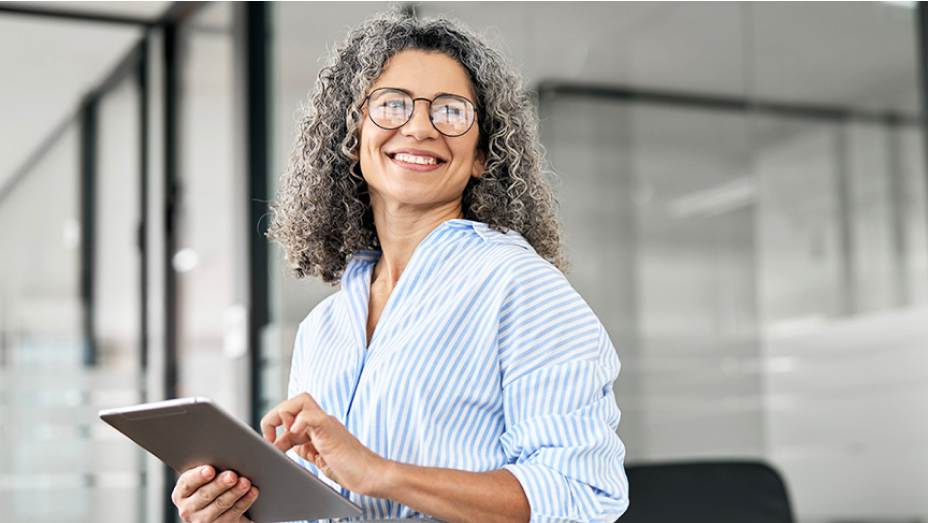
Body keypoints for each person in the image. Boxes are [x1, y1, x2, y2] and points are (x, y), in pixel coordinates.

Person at [171, 11, 628, 523]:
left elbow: (582, 495)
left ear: (482, 154)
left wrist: (381, 472)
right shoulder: (323, 329)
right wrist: (237, 513)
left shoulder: (521, 287)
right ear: (353, 134)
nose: (419, 127)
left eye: (451, 112)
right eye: (392, 105)